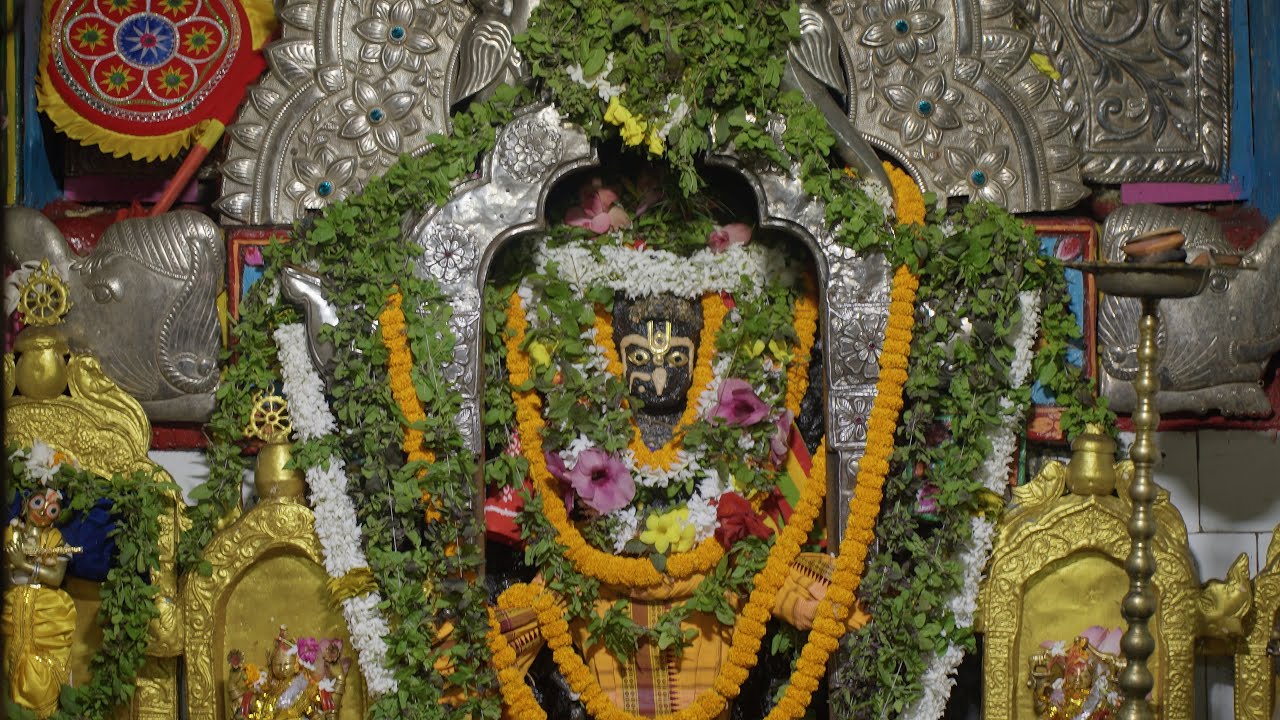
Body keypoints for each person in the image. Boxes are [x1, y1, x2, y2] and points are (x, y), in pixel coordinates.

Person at [2, 488, 78, 719]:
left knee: (42, 675)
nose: (43, 512)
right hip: (14, 605)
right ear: (26, 504)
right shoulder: (14, 531)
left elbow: (55, 577)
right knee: (10, 664)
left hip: (48, 611)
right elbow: (10, 565)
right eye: (38, 503)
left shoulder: (56, 539)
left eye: (51, 509)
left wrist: (24, 564)